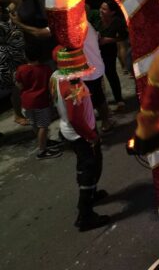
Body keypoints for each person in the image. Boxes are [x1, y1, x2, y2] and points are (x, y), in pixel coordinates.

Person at [50, 47, 110, 231]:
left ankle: (91, 194)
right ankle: (85, 214)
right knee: (90, 168)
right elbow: (76, 118)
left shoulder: (55, 75)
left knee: (85, 165)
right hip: (81, 133)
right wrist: (91, 136)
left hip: (69, 130)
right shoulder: (73, 84)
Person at [14, 44, 61, 159]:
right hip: (41, 103)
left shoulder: (21, 69)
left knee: (35, 124)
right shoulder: (46, 69)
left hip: (26, 103)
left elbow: (19, 86)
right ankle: (42, 151)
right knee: (43, 126)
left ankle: (44, 141)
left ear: (26, 56)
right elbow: (51, 86)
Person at [88, 0, 127, 112]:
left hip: (109, 50)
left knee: (111, 73)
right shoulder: (95, 17)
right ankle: (100, 103)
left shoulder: (117, 22)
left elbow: (124, 37)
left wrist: (110, 40)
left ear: (112, 12)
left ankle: (119, 99)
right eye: (101, 7)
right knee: (96, 77)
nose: (101, 10)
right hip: (94, 52)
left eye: (104, 9)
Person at [0, 0, 28, 126]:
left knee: (18, 85)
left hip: (17, 54)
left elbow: (17, 1)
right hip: (5, 59)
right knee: (14, 86)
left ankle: (19, 112)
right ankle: (18, 114)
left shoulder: (5, 12)